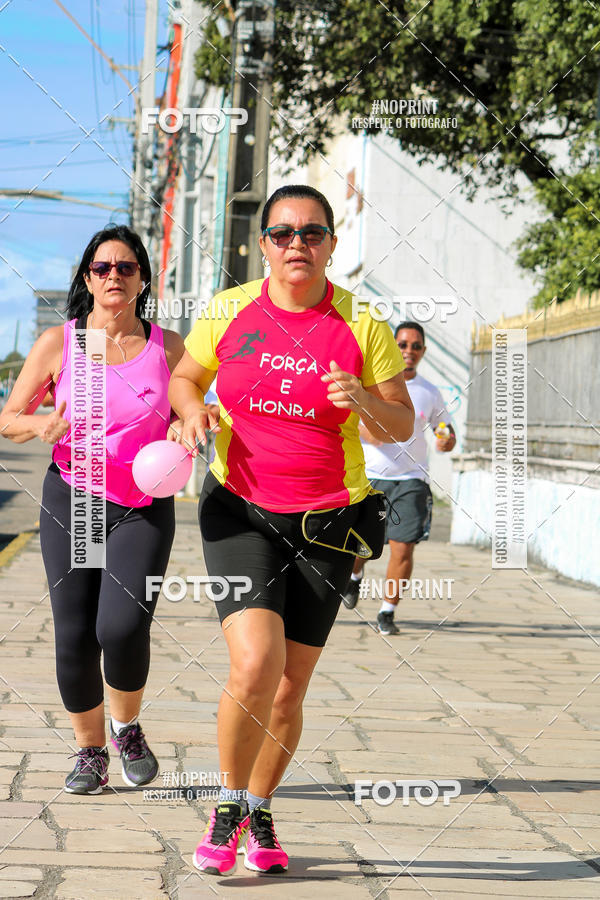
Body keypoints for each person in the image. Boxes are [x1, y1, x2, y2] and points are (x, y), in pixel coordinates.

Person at [168, 184, 414, 876]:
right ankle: (227, 806)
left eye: (311, 232)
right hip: (240, 509)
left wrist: (364, 399)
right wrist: (191, 413)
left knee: (288, 688)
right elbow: (186, 377)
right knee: (255, 664)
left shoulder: (361, 324)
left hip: (329, 523)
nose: (296, 243)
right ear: (263, 244)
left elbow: (401, 425)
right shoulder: (230, 310)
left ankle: (262, 807)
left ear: (333, 244)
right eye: (282, 232)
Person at [0, 225, 185, 794]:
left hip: (141, 504)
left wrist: (185, 423)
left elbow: (200, 405)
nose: (113, 276)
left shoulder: (169, 346)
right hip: (75, 498)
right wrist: (41, 424)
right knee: (75, 634)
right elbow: (8, 418)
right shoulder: (63, 343)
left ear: (142, 279)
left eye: (125, 268)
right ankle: (89, 751)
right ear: (87, 278)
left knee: (122, 627)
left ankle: (126, 727)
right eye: (102, 268)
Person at [342, 321, 456, 635]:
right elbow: (348, 420)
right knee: (361, 545)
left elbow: (444, 430)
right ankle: (353, 577)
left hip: (411, 479)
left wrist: (447, 440)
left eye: (416, 346)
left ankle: (387, 612)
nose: (409, 351)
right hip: (370, 478)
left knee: (403, 547)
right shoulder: (370, 386)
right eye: (403, 344)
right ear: (393, 345)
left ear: (423, 351)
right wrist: (371, 431)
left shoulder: (430, 393)